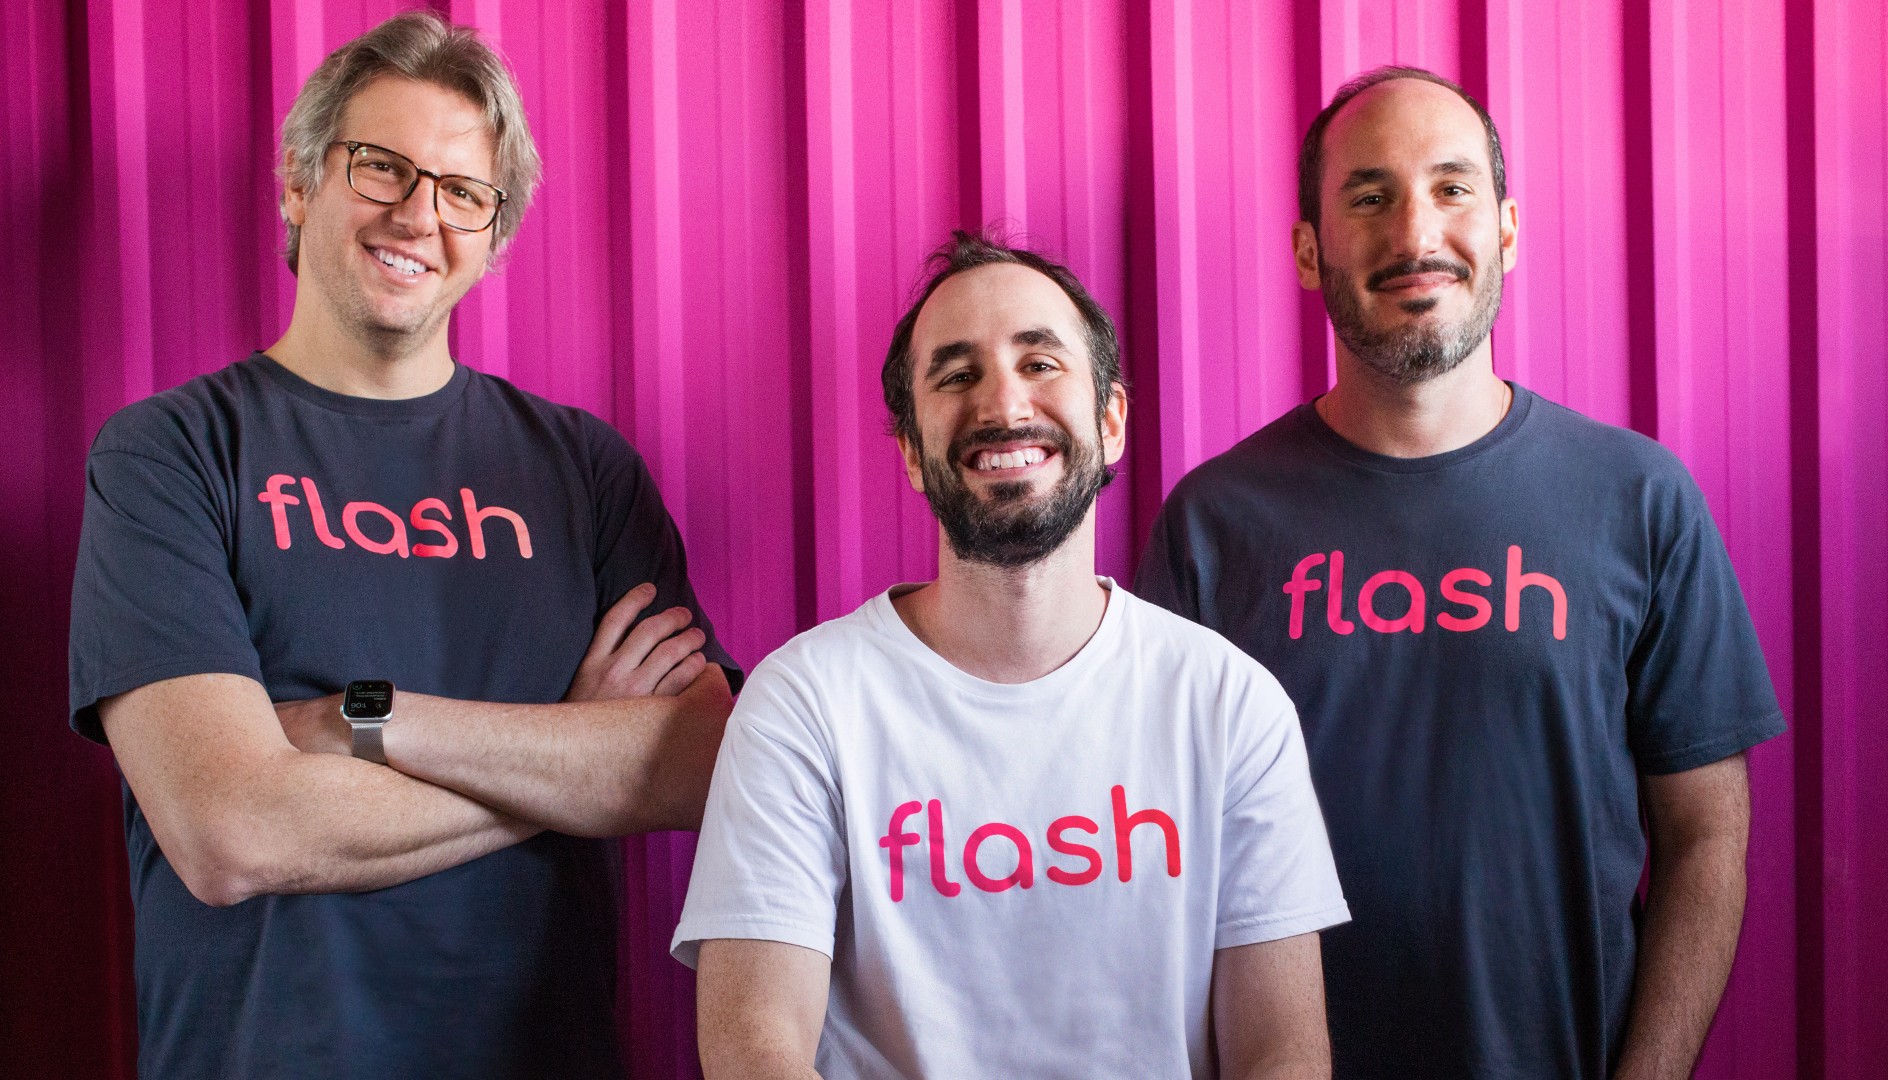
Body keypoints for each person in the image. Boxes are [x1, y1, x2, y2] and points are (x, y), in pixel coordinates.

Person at [67, 12, 736, 1079]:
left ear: (494, 237)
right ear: (300, 184)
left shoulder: (583, 470)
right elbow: (231, 831)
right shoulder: (170, 454)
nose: (419, 214)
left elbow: (699, 760)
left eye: (464, 192)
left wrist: (362, 721)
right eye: (381, 166)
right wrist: (574, 755)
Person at [1138, 67, 1785, 1080]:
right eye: (1370, 196)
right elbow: (1159, 859)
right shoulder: (1213, 525)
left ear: (1507, 230)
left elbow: (1706, 839)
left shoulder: (1639, 499)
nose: (1416, 232)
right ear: (1308, 251)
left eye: (1451, 187)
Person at [672, 231, 1349, 1080]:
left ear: (1111, 421)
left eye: (1040, 363)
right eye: (957, 375)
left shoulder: (1230, 704)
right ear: (911, 451)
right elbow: (753, 1048)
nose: (1002, 403)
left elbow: (1283, 1053)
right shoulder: (804, 703)